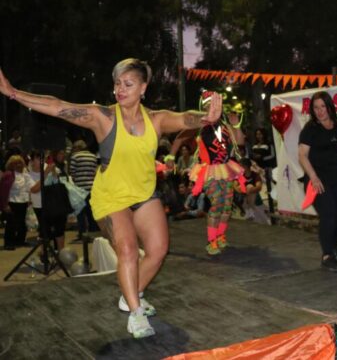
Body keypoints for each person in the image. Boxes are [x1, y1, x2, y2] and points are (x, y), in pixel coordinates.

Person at [0, 58, 221, 338]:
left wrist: (206, 118)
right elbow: (57, 106)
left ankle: (131, 293)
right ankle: (136, 312)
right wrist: (13, 93)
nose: (120, 89)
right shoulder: (102, 116)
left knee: (158, 250)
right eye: (117, 83)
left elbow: (184, 119)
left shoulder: (156, 119)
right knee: (127, 249)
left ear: (143, 88)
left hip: (143, 194)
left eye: (128, 84)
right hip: (110, 197)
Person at [172, 92, 245, 256]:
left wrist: (237, 126)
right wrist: (171, 155)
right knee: (217, 202)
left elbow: (239, 142)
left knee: (227, 205)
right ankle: (211, 240)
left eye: (215, 104)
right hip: (208, 170)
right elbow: (180, 137)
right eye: (209, 105)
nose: (212, 107)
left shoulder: (224, 125)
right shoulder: (200, 123)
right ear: (204, 107)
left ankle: (220, 236)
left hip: (226, 168)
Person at [298, 91, 337, 272]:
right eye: (316, 108)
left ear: (329, 107)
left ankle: (334, 243)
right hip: (317, 180)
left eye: (322, 107)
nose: (319, 111)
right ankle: (327, 255)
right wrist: (313, 177)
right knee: (328, 214)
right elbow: (302, 156)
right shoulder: (310, 129)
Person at [0, 155, 35, 250]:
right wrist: (5, 205)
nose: (18, 165)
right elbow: (3, 191)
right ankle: (8, 243)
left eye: (20, 163)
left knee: (21, 224)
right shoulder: (8, 174)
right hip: (12, 203)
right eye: (16, 163)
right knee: (11, 224)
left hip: (23, 203)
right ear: (11, 165)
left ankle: (20, 241)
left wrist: (29, 200)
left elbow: (27, 188)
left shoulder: (25, 174)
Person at [69, 140, 99, 240]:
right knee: (91, 212)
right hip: (91, 187)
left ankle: (82, 233)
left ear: (77, 148)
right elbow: (94, 172)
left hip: (79, 189)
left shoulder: (75, 156)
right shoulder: (93, 156)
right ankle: (93, 232)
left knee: (80, 212)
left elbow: (72, 172)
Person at [234, 157, 271, 225]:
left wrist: (249, 190)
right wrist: (245, 189)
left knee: (250, 187)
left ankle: (249, 209)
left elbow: (259, 187)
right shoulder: (240, 175)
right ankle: (250, 209)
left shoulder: (255, 175)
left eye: (240, 166)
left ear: (246, 166)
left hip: (253, 197)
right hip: (243, 197)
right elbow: (236, 186)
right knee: (247, 187)